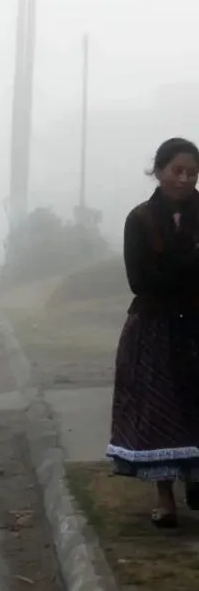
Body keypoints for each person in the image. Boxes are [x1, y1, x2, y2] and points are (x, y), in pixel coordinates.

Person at [107, 137, 199, 528]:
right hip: (155, 326)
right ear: (159, 170)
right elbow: (141, 279)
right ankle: (164, 497)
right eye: (176, 171)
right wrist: (190, 263)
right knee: (158, 409)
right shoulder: (140, 219)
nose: (183, 179)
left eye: (192, 173)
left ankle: (195, 479)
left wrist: (175, 269)